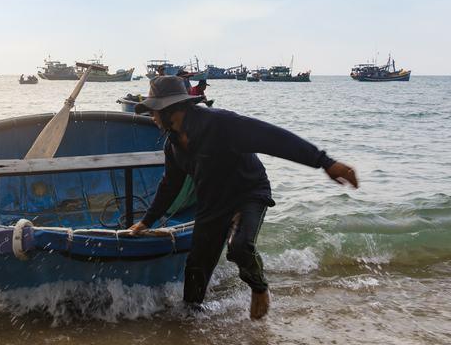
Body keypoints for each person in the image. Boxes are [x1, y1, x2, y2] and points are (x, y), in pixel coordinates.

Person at [129, 76, 358, 319]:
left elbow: (273, 138)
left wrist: (324, 162)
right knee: (196, 268)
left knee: (239, 247)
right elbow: (170, 185)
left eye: (154, 111)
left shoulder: (220, 123)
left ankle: (259, 287)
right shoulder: (172, 144)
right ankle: (190, 323)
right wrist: (147, 221)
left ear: (171, 109)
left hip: (248, 192)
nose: (152, 117)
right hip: (212, 202)